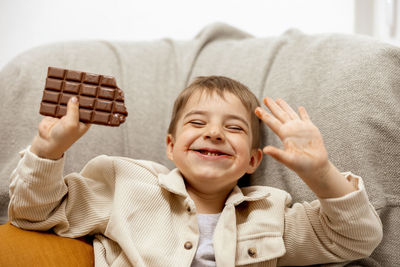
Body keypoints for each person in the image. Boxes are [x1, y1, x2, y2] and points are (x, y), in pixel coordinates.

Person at [8, 76, 382, 267]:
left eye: (234, 128)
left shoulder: (272, 213)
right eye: (198, 122)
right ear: (171, 146)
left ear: (253, 160)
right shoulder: (124, 184)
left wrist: (320, 171)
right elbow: (33, 213)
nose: (215, 133)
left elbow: (355, 239)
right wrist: (48, 149)